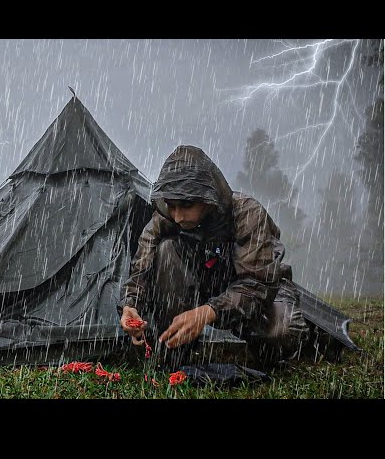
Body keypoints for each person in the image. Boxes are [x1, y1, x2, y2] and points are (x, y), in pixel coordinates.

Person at [118, 145, 309, 368]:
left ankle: (269, 355)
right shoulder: (165, 219)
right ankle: (174, 350)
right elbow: (141, 266)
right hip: (205, 284)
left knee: (281, 330)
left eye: (187, 205)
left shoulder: (247, 213)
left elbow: (258, 285)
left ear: (208, 198)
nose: (178, 216)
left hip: (256, 292)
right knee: (166, 250)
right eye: (171, 206)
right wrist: (130, 306)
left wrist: (208, 312)